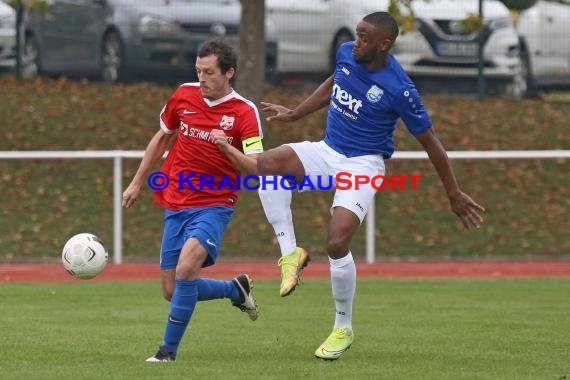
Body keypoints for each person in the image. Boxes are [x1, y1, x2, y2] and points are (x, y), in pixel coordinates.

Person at [257, 12, 485, 361]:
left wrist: (453, 193)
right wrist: (295, 114)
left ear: (384, 44)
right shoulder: (348, 52)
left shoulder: (400, 89)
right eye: (357, 35)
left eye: (364, 37)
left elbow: (432, 144)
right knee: (267, 165)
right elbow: (335, 82)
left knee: (337, 242)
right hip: (328, 150)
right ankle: (290, 254)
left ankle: (342, 327)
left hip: (364, 163)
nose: (356, 41)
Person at [122, 38, 264, 362]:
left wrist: (228, 149)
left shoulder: (244, 112)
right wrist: (136, 182)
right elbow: (162, 137)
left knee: (188, 267)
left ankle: (166, 352)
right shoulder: (184, 95)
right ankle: (234, 289)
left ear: (229, 73)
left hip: (215, 203)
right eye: (198, 71)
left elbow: (256, 167)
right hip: (176, 200)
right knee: (172, 290)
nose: (202, 78)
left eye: (209, 72)